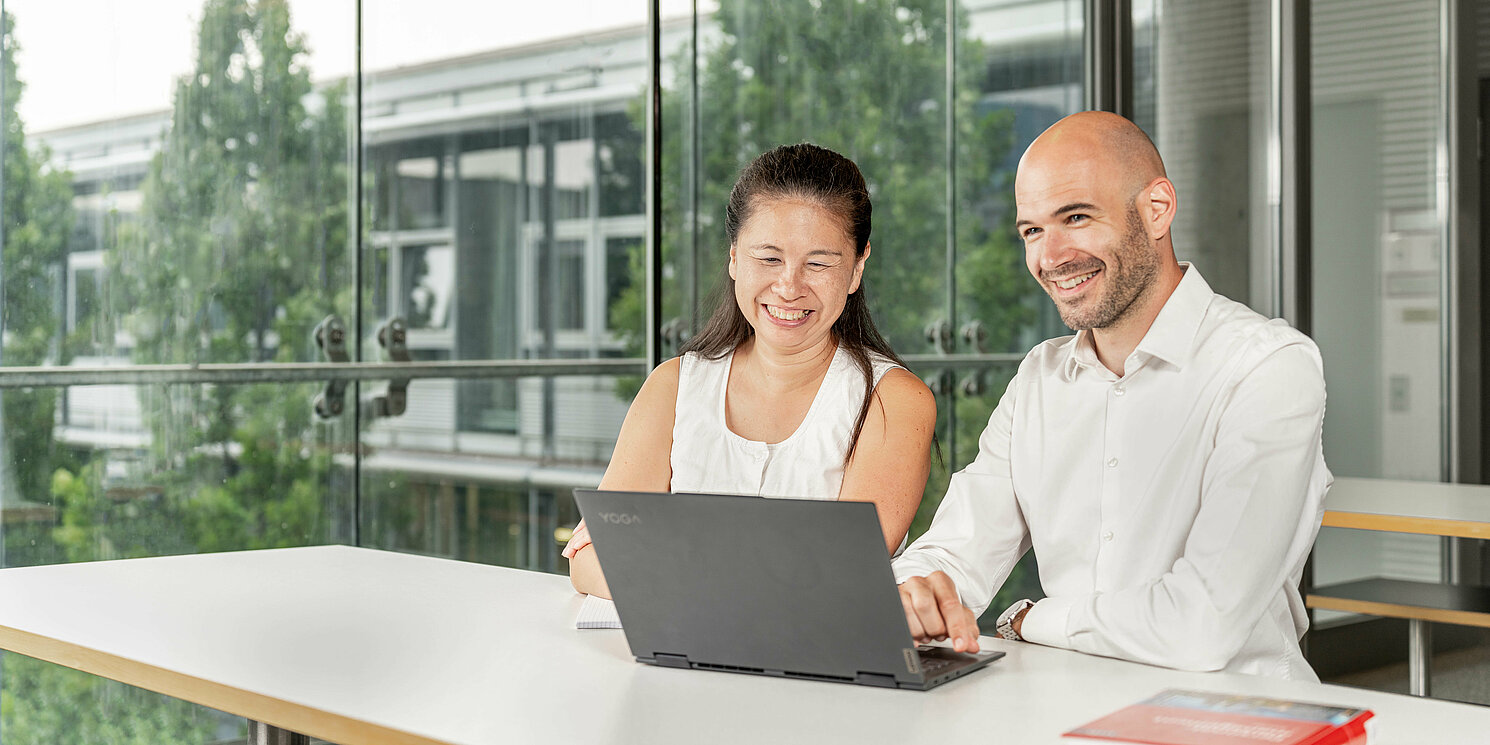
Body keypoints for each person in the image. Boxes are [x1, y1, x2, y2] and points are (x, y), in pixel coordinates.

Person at [893, 111, 1331, 681]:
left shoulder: (1267, 366)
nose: (1050, 257)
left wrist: (1033, 620)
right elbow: (955, 554)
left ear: (1157, 210)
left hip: (1233, 719)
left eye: (1075, 217)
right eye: (1031, 230)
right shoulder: (1038, 380)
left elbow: (1202, 627)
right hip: (1067, 710)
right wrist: (912, 594)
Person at [565, 143, 936, 599]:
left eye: (818, 263)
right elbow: (589, 559)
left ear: (857, 269)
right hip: (677, 657)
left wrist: (665, 568)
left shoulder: (893, 400)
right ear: (735, 258)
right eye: (769, 258)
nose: (789, 287)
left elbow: (838, 572)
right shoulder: (674, 385)